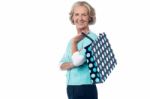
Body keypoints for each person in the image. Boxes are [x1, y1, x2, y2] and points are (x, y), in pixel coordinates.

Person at [59, 1, 98, 99]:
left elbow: (77, 60)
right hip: (71, 87)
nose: (80, 18)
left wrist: (74, 43)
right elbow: (61, 65)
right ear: (72, 17)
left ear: (90, 17)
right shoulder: (71, 41)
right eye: (76, 14)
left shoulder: (92, 38)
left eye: (84, 15)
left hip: (85, 87)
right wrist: (73, 64)